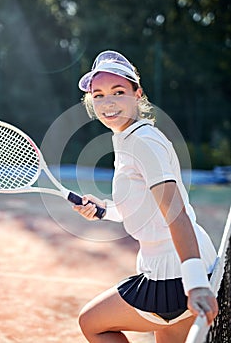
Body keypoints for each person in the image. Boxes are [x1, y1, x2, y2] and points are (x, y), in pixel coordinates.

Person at [73, 50, 218, 343]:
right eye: (98, 95)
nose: (108, 102)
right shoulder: (131, 138)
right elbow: (146, 208)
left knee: (92, 323)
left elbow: (175, 213)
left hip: (174, 276)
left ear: (137, 94)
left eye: (118, 92)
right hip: (185, 265)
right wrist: (104, 211)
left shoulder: (142, 142)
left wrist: (195, 285)